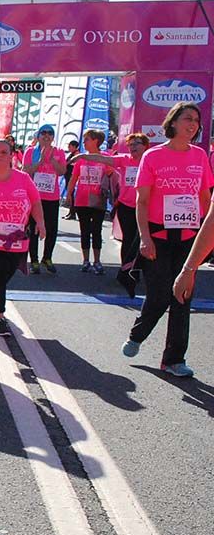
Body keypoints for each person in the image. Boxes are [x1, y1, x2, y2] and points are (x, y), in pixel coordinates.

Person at [122, 103, 213, 378]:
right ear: (173, 122)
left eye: (196, 120)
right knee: (159, 295)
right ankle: (138, 334)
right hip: (158, 237)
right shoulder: (153, 156)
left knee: (183, 296)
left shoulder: (199, 156)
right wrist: (145, 239)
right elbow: (142, 201)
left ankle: (174, 359)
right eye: (188, 118)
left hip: (188, 238)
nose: (193, 124)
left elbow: (206, 199)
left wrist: (204, 236)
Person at [0, 139, 46, 336]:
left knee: (2, 278)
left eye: (4, 152)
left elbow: (36, 202)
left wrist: (40, 222)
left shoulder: (23, 179)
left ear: (12, 155)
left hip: (16, 241)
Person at [72, 133, 150, 295]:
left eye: (137, 144)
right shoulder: (124, 159)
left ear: (145, 146)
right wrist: (82, 156)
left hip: (145, 207)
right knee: (128, 239)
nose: (133, 147)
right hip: (126, 206)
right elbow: (102, 159)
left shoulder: (150, 161)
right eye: (130, 145)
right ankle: (125, 271)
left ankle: (137, 270)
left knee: (142, 240)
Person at [22, 124, 67, 274]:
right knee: (33, 229)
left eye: (50, 134)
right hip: (34, 197)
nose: (47, 136)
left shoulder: (59, 152)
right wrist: (40, 160)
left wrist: (53, 161)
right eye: (44, 133)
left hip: (52, 197)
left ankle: (47, 257)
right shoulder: (30, 152)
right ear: (38, 136)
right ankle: (33, 260)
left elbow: (62, 172)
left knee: (51, 229)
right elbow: (26, 171)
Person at [69, 129, 109, 274]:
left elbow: (111, 174)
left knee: (96, 230)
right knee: (84, 230)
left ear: (95, 141)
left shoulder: (105, 157)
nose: (84, 142)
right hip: (81, 199)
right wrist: (69, 194)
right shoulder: (81, 158)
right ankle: (86, 260)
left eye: (87, 139)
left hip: (98, 200)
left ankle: (97, 261)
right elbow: (74, 178)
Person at [62, 139, 80, 219]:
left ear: (74, 146)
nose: (68, 147)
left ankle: (72, 213)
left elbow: (70, 163)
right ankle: (71, 212)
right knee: (70, 194)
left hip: (71, 176)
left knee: (71, 194)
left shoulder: (76, 154)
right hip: (67, 175)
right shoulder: (71, 154)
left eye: (70, 146)